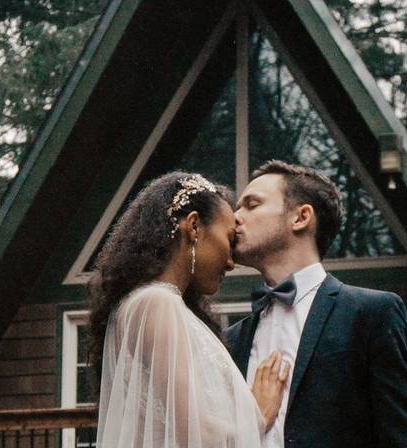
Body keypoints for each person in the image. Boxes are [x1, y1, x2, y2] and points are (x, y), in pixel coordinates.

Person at [227, 160, 407, 448]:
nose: (235, 217)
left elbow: (404, 439)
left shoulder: (371, 313)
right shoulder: (231, 341)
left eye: (252, 204)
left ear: (301, 217)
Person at [88, 171, 290, 447]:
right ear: (194, 226)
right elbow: (196, 433)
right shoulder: (157, 302)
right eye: (229, 241)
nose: (231, 262)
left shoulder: (140, 303)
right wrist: (259, 416)